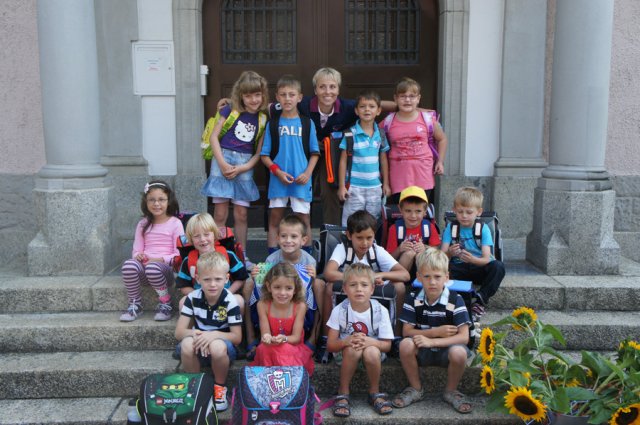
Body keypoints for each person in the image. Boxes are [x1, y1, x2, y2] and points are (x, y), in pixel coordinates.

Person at [317, 210, 410, 361]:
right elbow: (329, 273)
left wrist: (378, 275)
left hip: (371, 290)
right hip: (350, 291)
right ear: (349, 235)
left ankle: (396, 337)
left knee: (400, 287)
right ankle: (325, 338)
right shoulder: (343, 248)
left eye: (369, 238)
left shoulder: (376, 251)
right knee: (329, 287)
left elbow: (405, 274)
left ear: (374, 236)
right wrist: (357, 279)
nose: (365, 243)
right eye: (359, 238)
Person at [391, 248, 473, 414]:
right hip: (422, 350)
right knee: (405, 345)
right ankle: (416, 388)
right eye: (427, 276)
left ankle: (451, 391)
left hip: (447, 351)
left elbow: (464, 337)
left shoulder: (455, 300)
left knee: (459, 353)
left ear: (446, 277)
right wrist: (434, 333)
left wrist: (433, 341)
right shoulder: (413, 298)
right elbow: (407, 331)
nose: (432, 282)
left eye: (437, 276)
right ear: (419, 277)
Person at [201, 71, 269, 265]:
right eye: (248, 95)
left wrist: (243, 168)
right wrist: (222, 163)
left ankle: (241, 255)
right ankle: (215, 254)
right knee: (220, 213)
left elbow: (259, 152)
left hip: (244, 164)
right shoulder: (229, 110)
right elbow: (214, 137)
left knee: (241, 214)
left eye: (257, 95)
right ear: (240, 95)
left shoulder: (263, 118)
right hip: (222, 159)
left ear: (263, 95)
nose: (253, 100)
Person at [245, 214, 325, 359]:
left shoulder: (309, 261)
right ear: (277, 238)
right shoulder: (271, 259)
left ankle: (314, 338)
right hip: (274, 304)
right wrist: (256, 276)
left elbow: (307, 291)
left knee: (319, 284)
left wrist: (313, 279)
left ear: (303, 240)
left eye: (294, 236)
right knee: (249, 283)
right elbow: (266, 286)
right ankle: (251, 338)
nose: (288, 240)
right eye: (283, 236)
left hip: (298, 305)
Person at [175, 251, 243, 412]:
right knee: (186, 344)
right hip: (198, 343)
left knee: (216, 346)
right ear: (198, 279)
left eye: (218, 279)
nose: (213, 284)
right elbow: (179, 332)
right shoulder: (192, 298)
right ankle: (195, 387)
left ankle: (219, 388)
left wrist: (212, 335)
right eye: (207, 279)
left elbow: (237, 337)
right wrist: (198, 335)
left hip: (223, 347)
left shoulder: (230, 300)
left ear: (226, 279)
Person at [326, 263, 395, 417]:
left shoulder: (380, 310)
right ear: (344, 289)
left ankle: (374, 392)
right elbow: (330, 345)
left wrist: (371, 342)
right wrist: (345, 341)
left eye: (364, 285)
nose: (359, 289)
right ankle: (343, 392)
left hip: (373, 354)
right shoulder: (340, 310)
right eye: (353, 285)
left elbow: (387, 346)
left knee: (371, 351)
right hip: (346, 354)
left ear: (372, 289)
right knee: (353, 349)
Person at [261, 75, 319, 254]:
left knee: (304, 219)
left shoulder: (307, 123)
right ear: (277, 97)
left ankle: (306, 259)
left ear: (299, 97)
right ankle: (272, 259)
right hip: (278, 180)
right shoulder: (273, 124)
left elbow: (315, 153)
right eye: (283, 95)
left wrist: (307, 173)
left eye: (291, 95)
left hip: (301, 180)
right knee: (275, 219)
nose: (287, 99)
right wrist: (277, 172)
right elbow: (264, 156)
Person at [120, 180, 183, 322]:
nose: (156, 204)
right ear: (146, 202)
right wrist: (138, 256)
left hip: (165, 271)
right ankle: (135, 304)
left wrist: (159, 260)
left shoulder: (175, 223)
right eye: (152, 200)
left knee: (153, 268)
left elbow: (179, 254)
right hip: (145, 269)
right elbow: (136, 251)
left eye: (161, 199)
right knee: (128, 265)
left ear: (169, 201)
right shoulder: (143, 223)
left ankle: (166, 303)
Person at [440, 187, 505, 322]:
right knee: (443, 270)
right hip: (459, 268)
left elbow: (486, 258)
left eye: (469, 212)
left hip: (478, 267)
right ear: (454, 210)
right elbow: (441, 257)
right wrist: (450, 253)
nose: (464, 216)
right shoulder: (451, 228)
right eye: (460, 212)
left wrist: (473, 260)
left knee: (498, 267)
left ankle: (480, 299)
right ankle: (462, 303)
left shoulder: (483, 228)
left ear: (478, 212)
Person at [382, 77, 448, 206]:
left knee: (420, 210)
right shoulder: (388, 122)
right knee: (401, 211)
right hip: (398, 176)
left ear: (418, 99)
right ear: (395, 99)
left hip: (423, 175)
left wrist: (440, 161)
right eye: (402, 96)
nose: (407, 100)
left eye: (412, 96)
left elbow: (442, 139)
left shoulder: (427, 120)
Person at [250, 262, 314, 375]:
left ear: (295, 289)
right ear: (269, 286)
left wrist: (284, 339)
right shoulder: (262, 305)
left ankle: (286, 381)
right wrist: (267, 337)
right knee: (263, 349)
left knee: (284, 349)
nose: (282, 293)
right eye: (277, 287)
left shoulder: (300, 306)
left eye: (288, 288)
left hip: (293, 347)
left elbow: (296, 338)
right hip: (270, 347)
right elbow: (265, 334)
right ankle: (268, 380)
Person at [337, 90, 390, 226]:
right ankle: (348, 240)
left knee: (373, 221)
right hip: (354, 187)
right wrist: (342, 186)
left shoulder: (381, 134)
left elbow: (383, 160)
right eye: (362, 106)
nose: (367, 109)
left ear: (378, 111)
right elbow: (343, 161)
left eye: (371, 106)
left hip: (375, 187)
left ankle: (371, 241)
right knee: (351, 221)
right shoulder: (350, 134)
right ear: (356, 110)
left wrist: (386, 183)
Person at [175, 213, 247, 312]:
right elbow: (183, 285)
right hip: (200, 300)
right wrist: (200, 297)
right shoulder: (188, 260)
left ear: (214, 234)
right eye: (197, 236)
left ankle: (232, 322)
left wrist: (227, 294)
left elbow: (241, 277)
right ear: (190, 239)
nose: (202, 239)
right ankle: (195, 323)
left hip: (224, 299)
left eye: (206, 234)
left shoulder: (228, 255)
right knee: (183, 302)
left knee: (239, 300)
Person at [386, 186, 441, 281]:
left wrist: (425, 248)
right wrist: (400, 249)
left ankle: (424, 283)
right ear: (400, 209)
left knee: (420, 253)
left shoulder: (429, 227)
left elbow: (437, 252)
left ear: (425, 211)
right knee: (409, 253)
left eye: (418, 211)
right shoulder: (395, 229)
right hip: (402, 267)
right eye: (408, 211)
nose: (413, 216)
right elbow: (388, 259)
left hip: (424, 268)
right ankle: (400, 282)